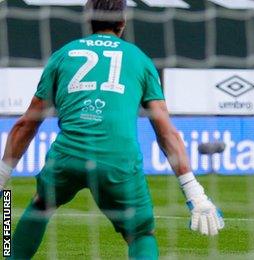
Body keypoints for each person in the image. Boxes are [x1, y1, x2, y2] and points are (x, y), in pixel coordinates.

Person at [0, 0, 223, 259]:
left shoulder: (63, 54)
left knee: (41, 204)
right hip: (117, 159)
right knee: (140, 234)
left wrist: (3, 174)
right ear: (123, 21)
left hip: (68, 156)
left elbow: (27, 123)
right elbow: (166, 132)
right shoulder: (139, 59)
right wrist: (194, 193)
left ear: (88, 18)